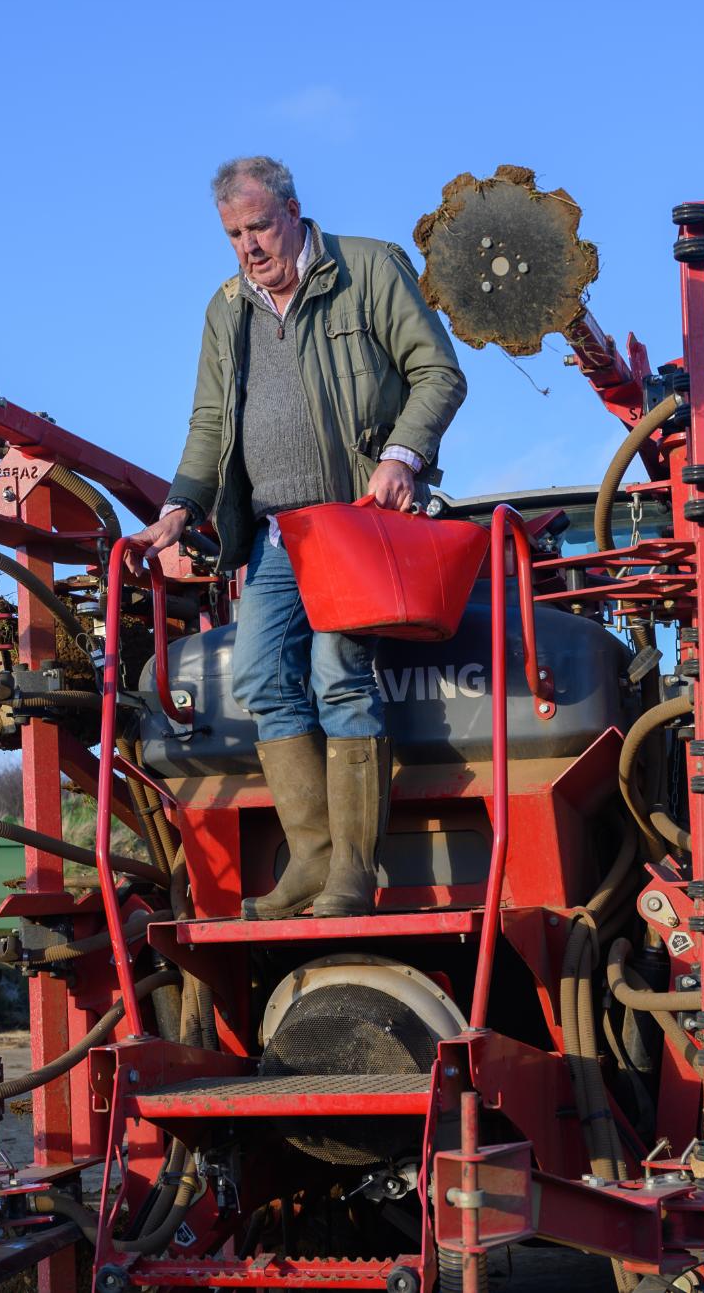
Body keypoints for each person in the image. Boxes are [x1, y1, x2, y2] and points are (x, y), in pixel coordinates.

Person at [132, 156, 465, 919]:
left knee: (338, 675)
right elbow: (211, 422)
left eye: (258, 226)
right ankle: (310, 863)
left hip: (355, 520)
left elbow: (438, 373)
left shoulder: (370, 267)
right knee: (261, 681)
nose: (248, 246)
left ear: (292, 210)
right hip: (276, 534)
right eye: (233, 234)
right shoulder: (226, 310)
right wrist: (181, 505)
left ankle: (355, 872)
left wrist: (400, 458)